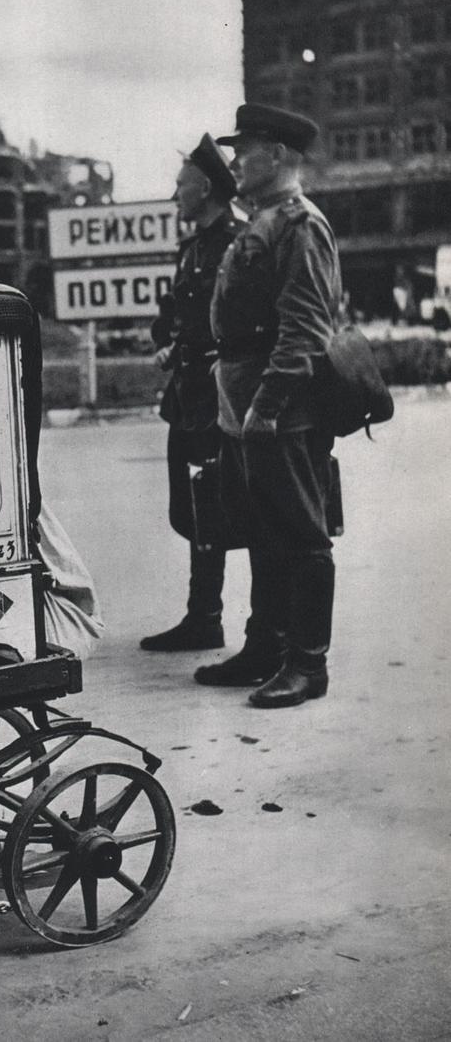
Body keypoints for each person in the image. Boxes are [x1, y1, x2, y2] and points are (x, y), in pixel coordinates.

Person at [194, 103, 340, 708]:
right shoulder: (265, 219)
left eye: (243, 149)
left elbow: (305, 327)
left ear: (276, 155)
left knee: (302, 536)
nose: (233, 161)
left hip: (279, 409)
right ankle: (265, 647)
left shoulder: (300, 224)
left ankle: (308, 665)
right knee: (260, 530)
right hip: (246, 403)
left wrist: (268, 406)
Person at [140, 134, 244, 652]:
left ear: (204, 187)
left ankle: (207, 617)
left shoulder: (235, 241)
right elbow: (180, 317)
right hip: (188, 398)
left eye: (181, 184)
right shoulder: (195, 246)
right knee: (190, 509)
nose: (175, 194)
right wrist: (171, 344)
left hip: (219, 398)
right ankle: (202, 614)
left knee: (215, 506)